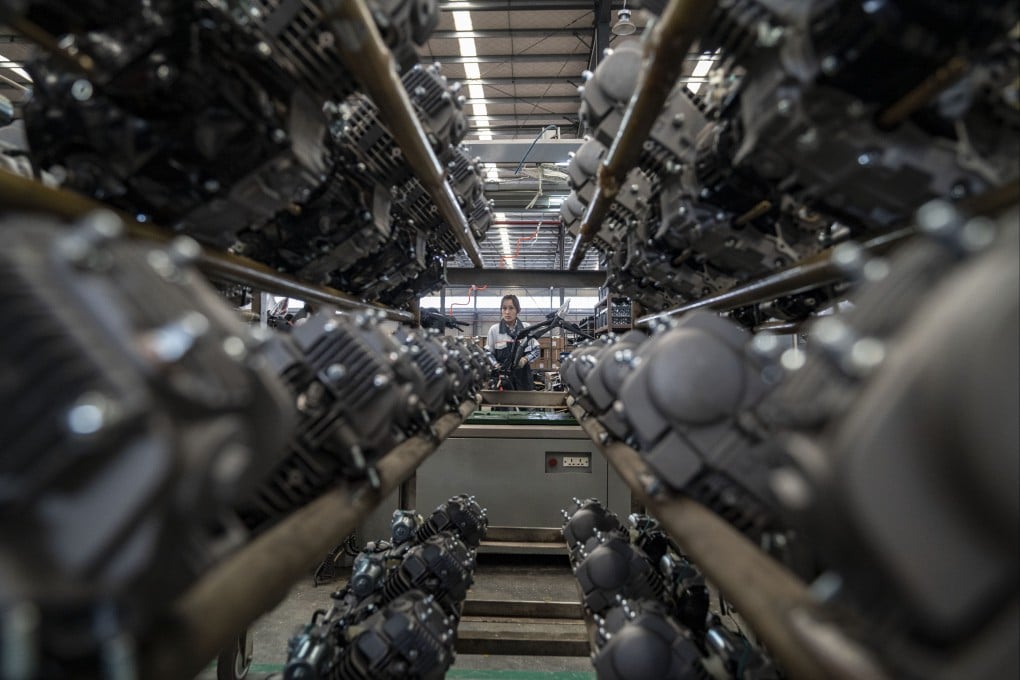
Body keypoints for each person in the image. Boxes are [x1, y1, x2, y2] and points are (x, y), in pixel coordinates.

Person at [487, 294, 541, 390]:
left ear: (517, 310)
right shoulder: (494, 330)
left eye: (511, 308)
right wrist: (495, 364)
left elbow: (536, 350)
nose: (507, 312)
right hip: (503, 380)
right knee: (503, 404)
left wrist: (525, 359)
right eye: (504, 308)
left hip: (523, 379)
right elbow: (488, 353)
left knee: (525, 404)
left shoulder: (526, 328)